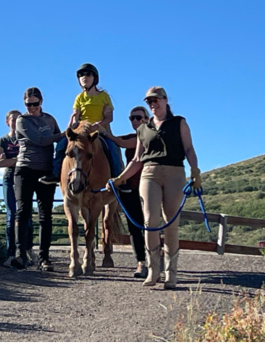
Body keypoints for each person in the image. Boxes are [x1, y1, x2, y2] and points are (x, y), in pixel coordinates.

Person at [106, 87, 202, 289]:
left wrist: (195, 170)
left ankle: (171, 273)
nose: (153, 103)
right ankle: (152, 270)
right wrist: (120, 179)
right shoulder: (143, 129)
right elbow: (137, 160)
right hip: (149, 173)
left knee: (171, 222)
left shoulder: (179, 123)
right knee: (149, 221)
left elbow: (189, 148)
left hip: (175, 172)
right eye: (149, 100)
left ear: (165, 100)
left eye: (156, 99)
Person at [39, 63, 130, 193]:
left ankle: (118, 180)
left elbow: (109, 117)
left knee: (113, 148)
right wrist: (74, 123)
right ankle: (56, 173)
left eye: (88, 74)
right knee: (61, 144)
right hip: (81, 131)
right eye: (81, 75)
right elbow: (76, 115)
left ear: (95, 78)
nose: (84, 77)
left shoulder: (104, 96)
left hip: (99, 131)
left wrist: (99, 124)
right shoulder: (79, 98)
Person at [13, 87, 63, 271]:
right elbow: (41, 140)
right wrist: (65, 133)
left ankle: (44, 258)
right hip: (25, 169)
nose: (32, 107)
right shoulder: (22, 120)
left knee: (45, 215)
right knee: (23, 211)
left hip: (45, 170)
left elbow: (60, 142)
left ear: (41, 102)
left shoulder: (49, 119)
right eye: (28, 104)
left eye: (35, 104)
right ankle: (20, 254)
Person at [97, 106, 151, 278]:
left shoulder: (145, 137)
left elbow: (121, 143)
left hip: (149, 187)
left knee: (149, 225)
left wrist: (105, 132)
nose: (135, 121)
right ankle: (141, 262)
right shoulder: (130, 136)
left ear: (146, 119)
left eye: (138, 117)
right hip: (131, 188)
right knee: (134, 226)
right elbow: (116, 141)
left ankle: (154, 259)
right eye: (132, 118)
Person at [0, 110, 36, 268]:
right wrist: (19, 159)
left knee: (26, 215)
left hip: (24, 178)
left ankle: (28, 250)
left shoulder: (26, 138)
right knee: (11, 216)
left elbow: (31, 158)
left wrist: (10, 160)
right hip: (9, 179)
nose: (14, 122)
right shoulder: (3, 140)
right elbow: (0, 163)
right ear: (7, 122)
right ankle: (10, 253)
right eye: (12, 120)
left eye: (17, 119)